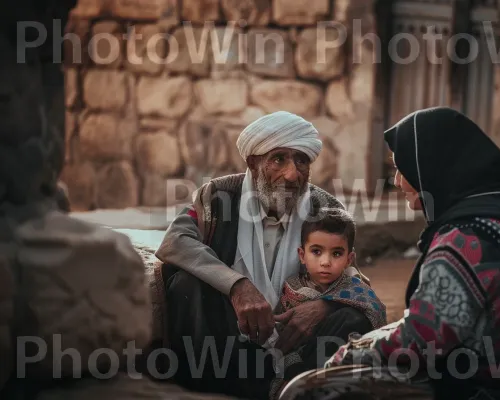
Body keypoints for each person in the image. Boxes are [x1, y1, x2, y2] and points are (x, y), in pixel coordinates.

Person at [279, 107, 500, 400]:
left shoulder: (462, 241)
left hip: (492, 391)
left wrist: (347, 355)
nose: (397, 182)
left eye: (403, 170)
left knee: (304, 391)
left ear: (433, 167)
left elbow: (419, 343)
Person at [152, 111, 373, 399]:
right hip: (228, 339)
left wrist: (326, 305)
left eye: (301, 160)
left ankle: (289, 392)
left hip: (293, 345)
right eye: (279, 159)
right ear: (253, 162)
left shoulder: (325, 208)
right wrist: (236, 286)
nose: (292, 174)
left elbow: (354, 278)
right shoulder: (218, 196)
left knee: (351, 317)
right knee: (186, 285)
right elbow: (175, 240)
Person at [263, 208, 386, 397]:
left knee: (353, 320)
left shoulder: (354, 286)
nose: (325, 262)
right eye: (317, 252)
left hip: (340, 363)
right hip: (294, 363)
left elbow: (375, 309)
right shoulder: (292, 288)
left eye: (336, 254)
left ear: (349, 259)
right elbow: (279, 334)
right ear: (302, 255)